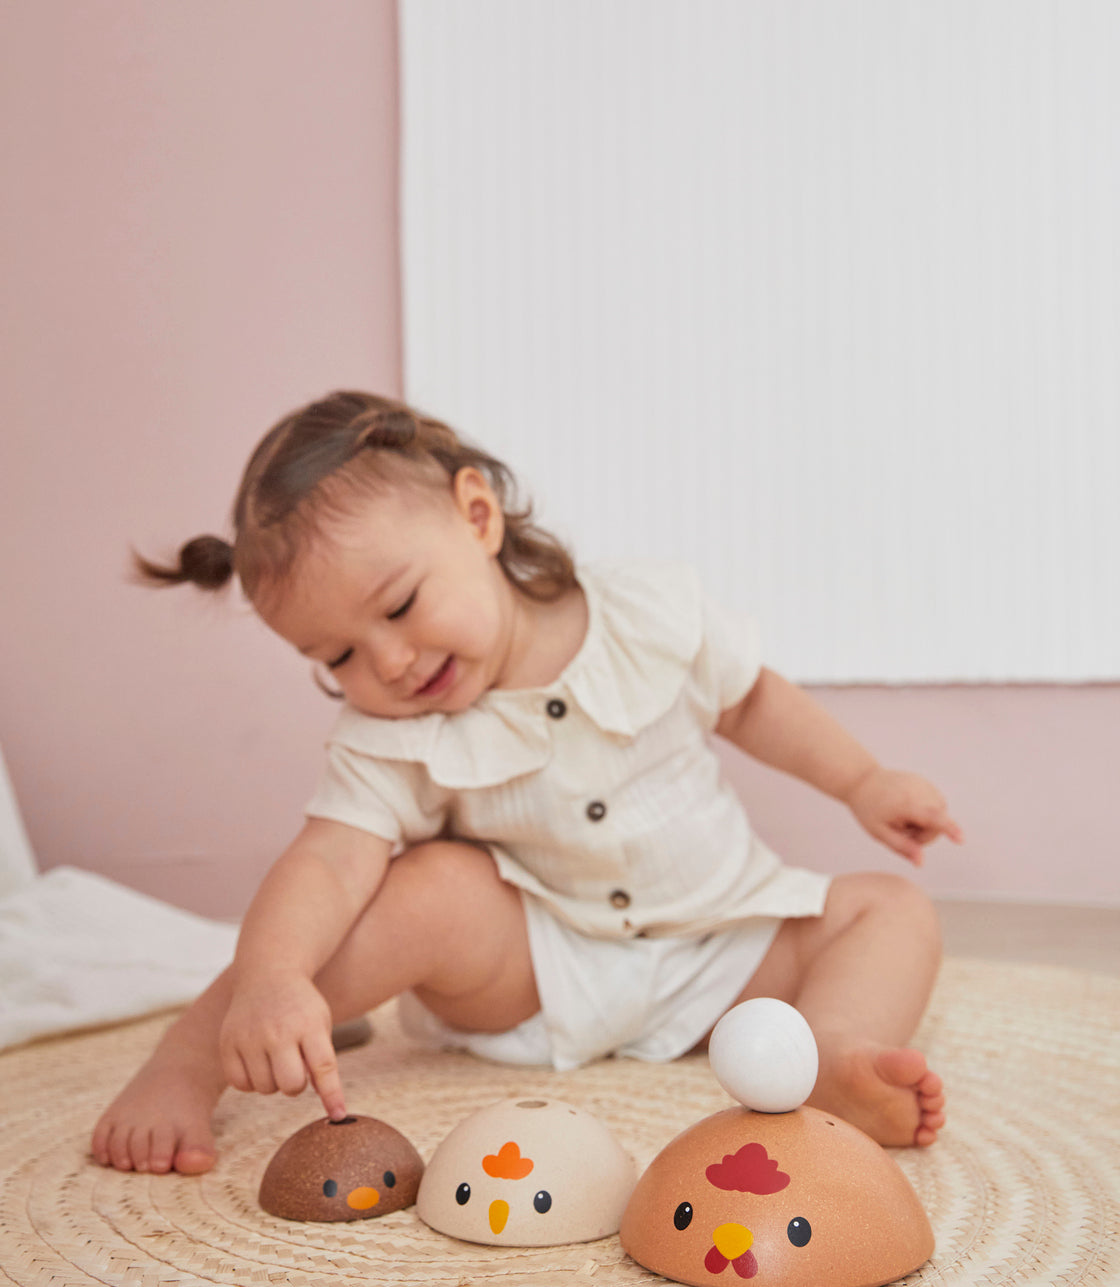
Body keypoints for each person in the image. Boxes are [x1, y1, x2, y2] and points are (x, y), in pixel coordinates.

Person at [92, 390, 963, 1176]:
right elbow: (325, 863)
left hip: (725, 950)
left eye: (398, 607)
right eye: (339, 657)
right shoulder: (395, 735)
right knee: (422, 891)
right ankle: (188, 1058)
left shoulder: (641, 614)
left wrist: (863, 781)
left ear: (477, 517)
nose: (389, 662)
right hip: (538, 973)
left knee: (889, 910)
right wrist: (274, 977)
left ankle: (829, 1055)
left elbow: (752, 701)